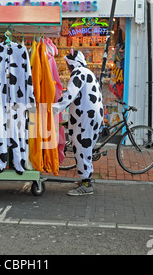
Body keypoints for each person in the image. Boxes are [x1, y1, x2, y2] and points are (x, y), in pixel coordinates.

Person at [52, 50, 103, 196]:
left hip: (86, 117)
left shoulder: (79, 73)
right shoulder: (87, 72)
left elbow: (69, 95)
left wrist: (51, 110)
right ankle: (85, 179)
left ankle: (86, 184)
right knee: (83, 147)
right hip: (89, 116)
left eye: (68, 64)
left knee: (82, 148)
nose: (67, 68)